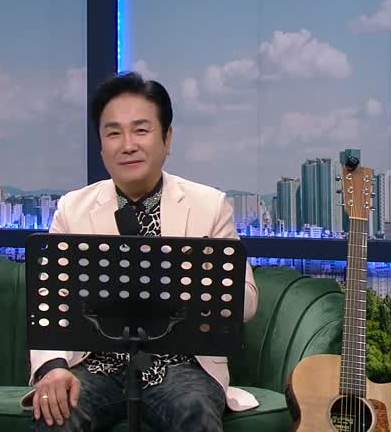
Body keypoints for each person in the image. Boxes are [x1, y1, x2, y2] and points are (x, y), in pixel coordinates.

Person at [23, 72, 260, 432]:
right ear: (101, 145)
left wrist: (179, 277)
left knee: (194, 410)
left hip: (182, 367)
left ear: (167, 138)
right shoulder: (72, 209)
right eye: (113, 133)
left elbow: (247, 301)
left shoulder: (209, 205)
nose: (128, 145)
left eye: (141, 130)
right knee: (56, 414)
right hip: (95, 366)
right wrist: (52, 368)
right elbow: (49, 300)